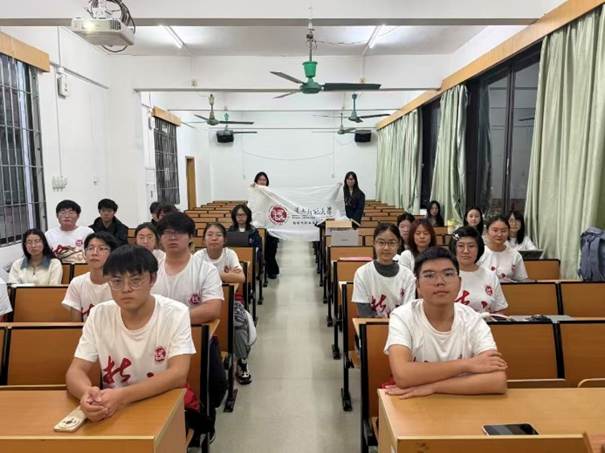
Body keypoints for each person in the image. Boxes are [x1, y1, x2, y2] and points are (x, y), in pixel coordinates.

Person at [65, 245, 195, 425]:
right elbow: (75, 371)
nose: (126, 289)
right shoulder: (99, 315)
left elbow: (178, 374)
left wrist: (121, 396)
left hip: (164, 403)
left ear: (152, 279)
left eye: (135, 280)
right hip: (115, 409)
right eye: (116, 281)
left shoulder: (175, 313)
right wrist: (87, 394)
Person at [384, 247, 508, 398]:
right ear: (418, 285)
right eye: (429, 275)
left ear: (459, 282)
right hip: (415, 404)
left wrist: (433, 387)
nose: (440, 282)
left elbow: (497, 380)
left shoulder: (472, 319)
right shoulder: (403, 316)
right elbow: (403, 375)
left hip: (462, 403)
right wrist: (467, 364)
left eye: (448, 274)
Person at [151, 212, 226, 439]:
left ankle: (204, 417)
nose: (172, 237)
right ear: (160, 238)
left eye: (178, 233)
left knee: (214, 383)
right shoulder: (150, 269)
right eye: (166, 233)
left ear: (191, 237)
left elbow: (212, 309)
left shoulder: (205, 269)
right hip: (154, 337)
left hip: (195, 337)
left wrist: (172, 320)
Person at [196, 223, 255, 385]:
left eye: (218, 235)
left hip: (230, 299)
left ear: (224, 239)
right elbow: (193, 279)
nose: (214, 238)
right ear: (203, 239)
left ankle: (242, 361)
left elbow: (240, 277)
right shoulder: (198, 256)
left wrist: (208, 274)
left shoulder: (230, 254)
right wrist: (224, 274)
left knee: (238, 323)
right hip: (203, 301)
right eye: (210, 235)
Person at [352, 224, 416, 318]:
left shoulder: (407, 275)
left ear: (398, 244)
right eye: (381, 242)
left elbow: (408, 311)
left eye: (391, 243)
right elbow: (364, 312)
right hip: (371, 325)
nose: (386, 248)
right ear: (374, 243)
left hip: (401, 325)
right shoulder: (362, 273)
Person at [62, 232, 119, 321]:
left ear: (112, 254)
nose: (94, 253)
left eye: (101, 248)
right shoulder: (77, 283)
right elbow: (76, 325)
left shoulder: (120, 283)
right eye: (90, 248)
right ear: (84, 254)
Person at [450, 227, 507, 314]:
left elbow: (500, 309)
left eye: (471, 246)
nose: (466, 251)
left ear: (479, 249)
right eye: (461, 246)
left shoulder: (490, 276)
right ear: (454, 248)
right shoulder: (445, 275)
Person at [478, 216, 528, 282]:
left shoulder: (515, 255)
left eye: (503, 231)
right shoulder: (479, 253)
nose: (499, 234)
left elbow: (522, 280)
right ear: (487, 232)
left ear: (508, 232)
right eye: (495, 230)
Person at [254, 172, 280, 279]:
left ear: (267, 182)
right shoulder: (253, 194)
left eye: (264, 180)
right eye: (260, 179)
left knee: (270, 251)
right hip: (258, 226)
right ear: (256, 181)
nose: (262, 181)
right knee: (259, 251)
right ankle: (259, 270)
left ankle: (272, 271)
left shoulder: (271, 193)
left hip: (270, 226)